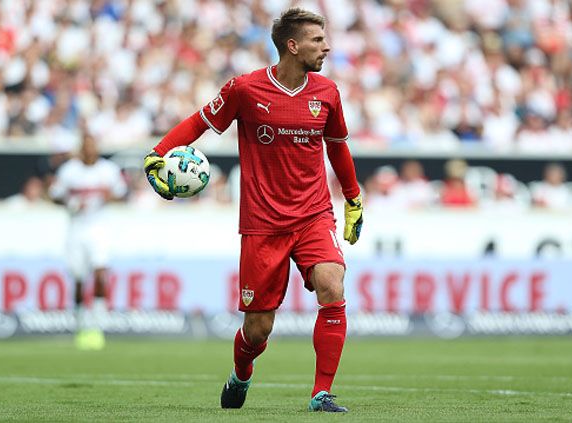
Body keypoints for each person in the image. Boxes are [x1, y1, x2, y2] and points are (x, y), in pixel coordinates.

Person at [143, 8, 362, 413]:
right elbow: (200, 122)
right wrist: (158, 153)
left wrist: (352, 197)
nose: (326, 46)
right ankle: (241, 372)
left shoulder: (327, 92)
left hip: (314, 214)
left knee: (333, 284)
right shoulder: (245, 89)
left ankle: (321, 393)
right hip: (263, 224)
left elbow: (337, 147)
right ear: (292, 46)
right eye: (317, 40)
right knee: (258, 329)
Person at [49, 133, 127, 351]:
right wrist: (71, 202)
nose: (89, 149)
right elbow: (55, 194)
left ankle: (98, 325)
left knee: (101, 273)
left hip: (99, 228)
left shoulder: (107, 170)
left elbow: (121, 194)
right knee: (79, 279)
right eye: (85, 146)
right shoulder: (69, 171)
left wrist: (107, 196)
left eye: (92, 145)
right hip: (76, 228)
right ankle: (81, 323)